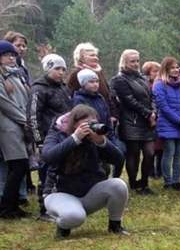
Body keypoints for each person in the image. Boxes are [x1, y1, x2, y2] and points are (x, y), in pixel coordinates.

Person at [41, 105, 129, 238]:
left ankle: (115, 225)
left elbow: (119, 159)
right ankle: (63, 225)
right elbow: (48, 157)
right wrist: (74, 139)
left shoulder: (93, 138)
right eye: (86, 124)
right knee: (75, 217)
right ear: (74, 123)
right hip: (59, 193)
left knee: (118, 185)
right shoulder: (58, 133)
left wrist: (102, 142)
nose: (90, 127)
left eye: (93, 123)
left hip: (88, 193)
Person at [29, 54, 73, 219]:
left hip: (64, 137)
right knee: (46, 172)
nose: (61, 72)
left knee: (61, 172)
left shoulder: (63, 88)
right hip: (47, 138)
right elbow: (33, 117)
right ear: (48, 68)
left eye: (63, 69)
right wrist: (39, 142)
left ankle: (61, 204)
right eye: (57, 68)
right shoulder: (38, 89)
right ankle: (44, 208)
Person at [110, 49, 157, 195]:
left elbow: (151, 97)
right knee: (133, 154)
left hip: (147, 121)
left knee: (150, 153)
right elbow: (129, 101)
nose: (136, 64)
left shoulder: (142, 78)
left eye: (137, 60)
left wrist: (154, 112)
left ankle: (144, 183)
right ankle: (133, 184)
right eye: (132, 61)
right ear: (124, 62)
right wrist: (148, 113)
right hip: (130, 121)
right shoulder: (119, 80)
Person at [72, 69, 125, 178]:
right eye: (91, 82)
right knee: (102, 165)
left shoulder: (100, 97)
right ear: (83, 83)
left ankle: (115, 179)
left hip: (106, 133)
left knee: (121, 153)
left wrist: (110, 133)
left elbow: (106, 115)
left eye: (97, 81)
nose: (95, 84)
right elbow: (81, 119)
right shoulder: (78, 99)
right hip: (91, 136)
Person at [0, 40, 31, 218]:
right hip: (8, 128)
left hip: (19, 126)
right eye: (6, 55)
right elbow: (5, 104)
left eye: (13, 55)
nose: (11, 58)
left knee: (19, 167)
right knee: (18, 166)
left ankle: (11, 205)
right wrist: (24, 120)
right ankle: (6, 207)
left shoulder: (16, 74)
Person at [152, 57, 180, 191]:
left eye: (176, 67)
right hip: (168, 123)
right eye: (172, 68)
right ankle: (167, 181)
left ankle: (176, 180)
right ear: (166, 69)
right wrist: (178, 120)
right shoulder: (159, 84)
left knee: (179, 153)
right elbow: (163, 106)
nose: (175, 70)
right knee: (169, 152)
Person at [66, 43, 115, 116]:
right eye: (92, 55)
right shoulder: (76, 74)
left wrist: (113, 114)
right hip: (87, 116)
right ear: (81, 58)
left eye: (96, 55)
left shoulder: (99, 72)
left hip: (104, 115)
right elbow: (71, 96)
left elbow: (107, 94)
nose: (96, 58)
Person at [142, 61, 164, 178]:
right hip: (150, 119)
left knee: (161, 147)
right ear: (148, 73)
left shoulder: (161, 84)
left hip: (162, 119)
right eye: (155, 71)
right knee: (152, 149)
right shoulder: (145, 86)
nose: (157, 74)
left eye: (159, 71)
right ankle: (151, 171)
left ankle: (159, 171)